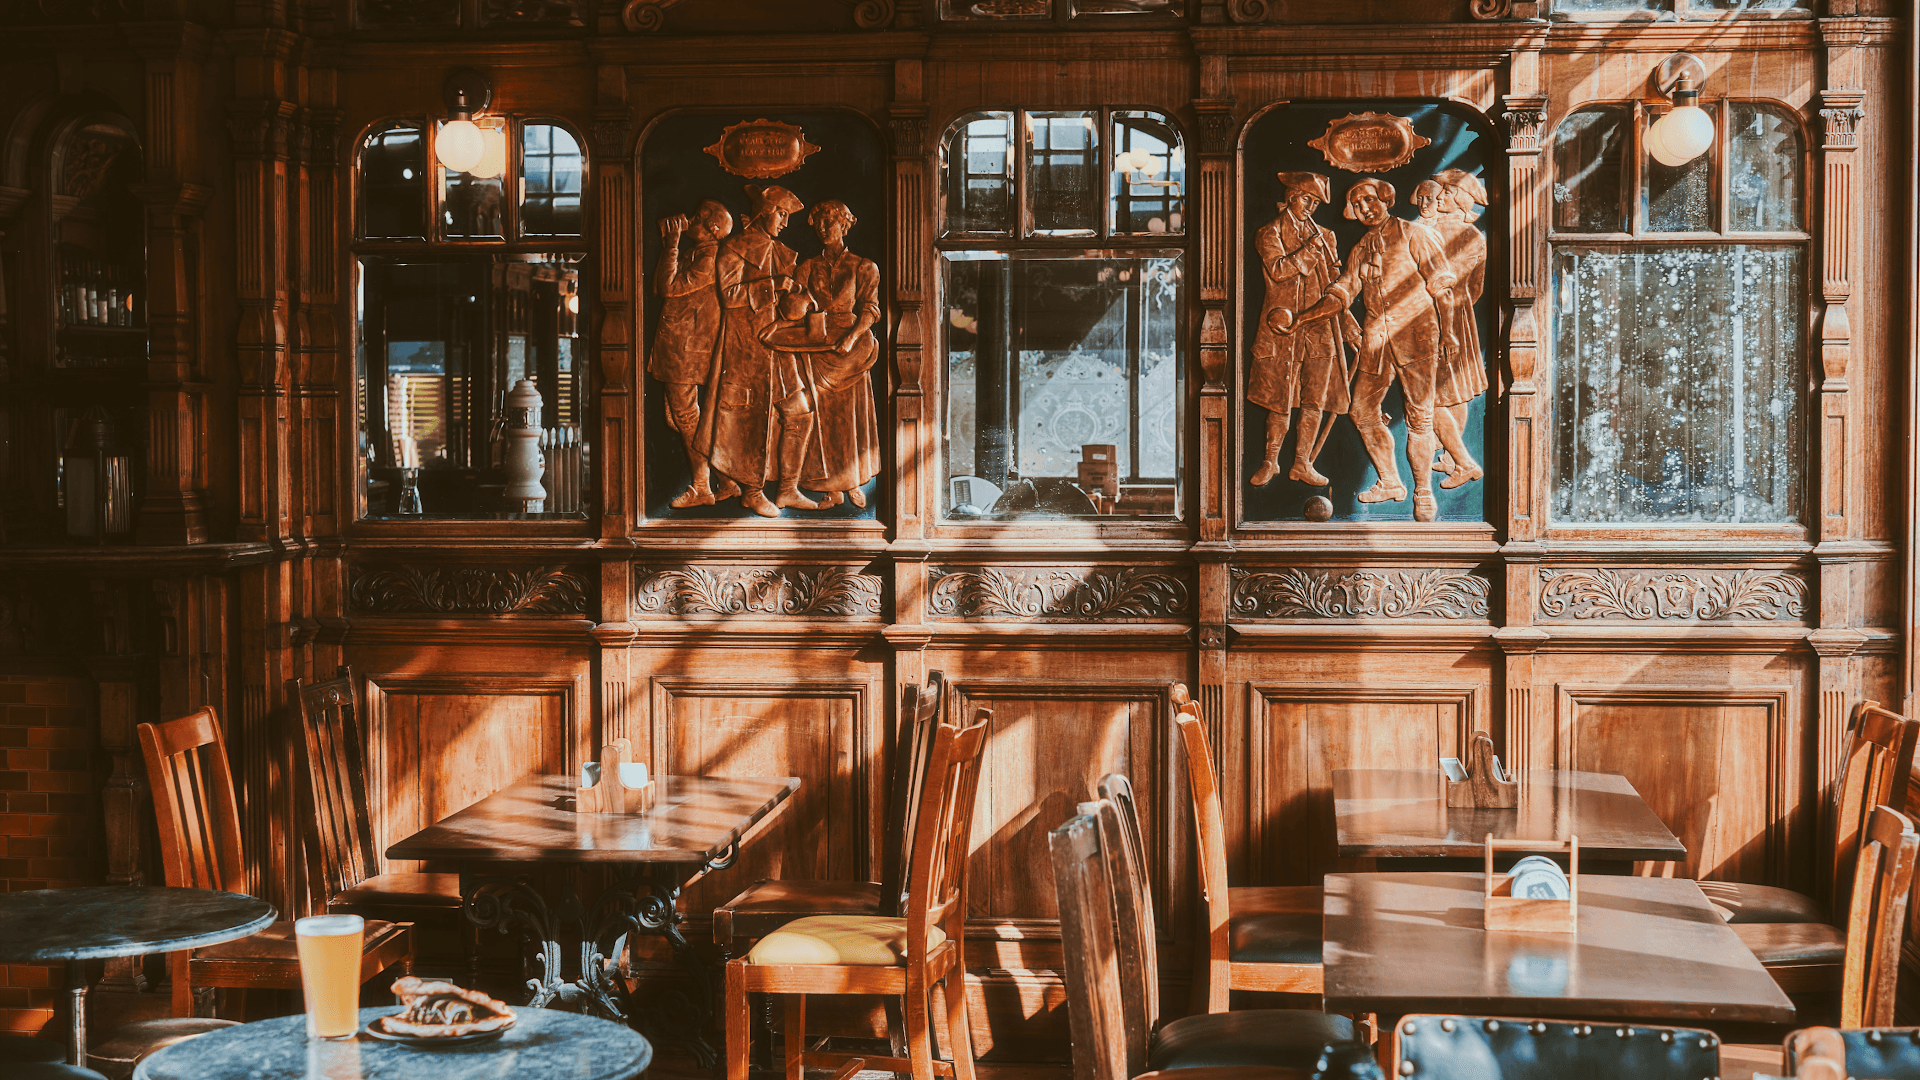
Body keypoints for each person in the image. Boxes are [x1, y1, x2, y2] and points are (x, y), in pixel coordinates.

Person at [1273, 178, 1462, 522]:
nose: (1365, 209)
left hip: (1417, 338)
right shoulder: (1361, 247)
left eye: (1370, 200)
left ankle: (1422, 492)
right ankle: (1391, 481)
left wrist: (1448, 334)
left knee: (1420, 418)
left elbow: (1441, 288)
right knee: (1361, 411)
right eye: (1357, 205)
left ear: (1386, 199)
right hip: (1376, 340)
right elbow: (1343, 291)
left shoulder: (1413, 234)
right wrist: (1301, 319)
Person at [698, 184, 821, 516]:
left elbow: (787, 304)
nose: (784, 222)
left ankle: (787, 489)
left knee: (800, 413)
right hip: (745, 349)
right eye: (781, 214)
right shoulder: (733, 250)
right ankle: (752, 491)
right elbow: (729, 297)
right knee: (750, 421)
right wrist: (772, 285)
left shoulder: (782, 252)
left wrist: (800, 302)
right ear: (765, 212)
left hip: (779, 345)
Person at [1248, 171, 1357, 488]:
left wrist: (1348, 326)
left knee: (1314, 401)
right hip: (1282, 330)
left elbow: (1335, 284)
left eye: (1315, 201)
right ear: (1292, 195)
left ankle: (1302, 463)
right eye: (1306, 198)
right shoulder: (1269, 233)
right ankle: (1270, 462)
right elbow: (1279, 271)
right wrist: (1309, 251)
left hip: (1320, 330)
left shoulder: (1326, 235)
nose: (1310, 206)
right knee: (1279, 400)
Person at [787, 200, 882, 508]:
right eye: (819, 225)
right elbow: (796, 307)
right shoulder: (807, 267)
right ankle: (831, 487)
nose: (824, 229)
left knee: (851, 417)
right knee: (823, 418)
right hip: (817, 346)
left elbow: (870, 310)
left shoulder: (863, 266)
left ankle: (853, 481)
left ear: (845, 224)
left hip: (850, 348)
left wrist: (852, 338)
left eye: (831, 223)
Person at [648, 199, 738, 508]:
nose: (689, 220)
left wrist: (671, 245)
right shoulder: (698, 253)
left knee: (687, 418)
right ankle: (726, 480)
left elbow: (667, 286)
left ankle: (702, 486)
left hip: (686, 352)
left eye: (697, 218)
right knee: (685, 418)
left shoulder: (710, 257)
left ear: (712, 229)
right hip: (680, 348)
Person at [1424, 168, 1489, 490]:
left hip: (1444, 318)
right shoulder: (1435, 227)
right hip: (1459, 315)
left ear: (1462, 197)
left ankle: (1463, 462)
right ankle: (1452, 457)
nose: (1441, 197)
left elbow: (1452, 283)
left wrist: (1448, 313)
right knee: (1455, 392)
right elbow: (1474, 290)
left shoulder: (1468, 236)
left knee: (1435, 396)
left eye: (1447, 192)